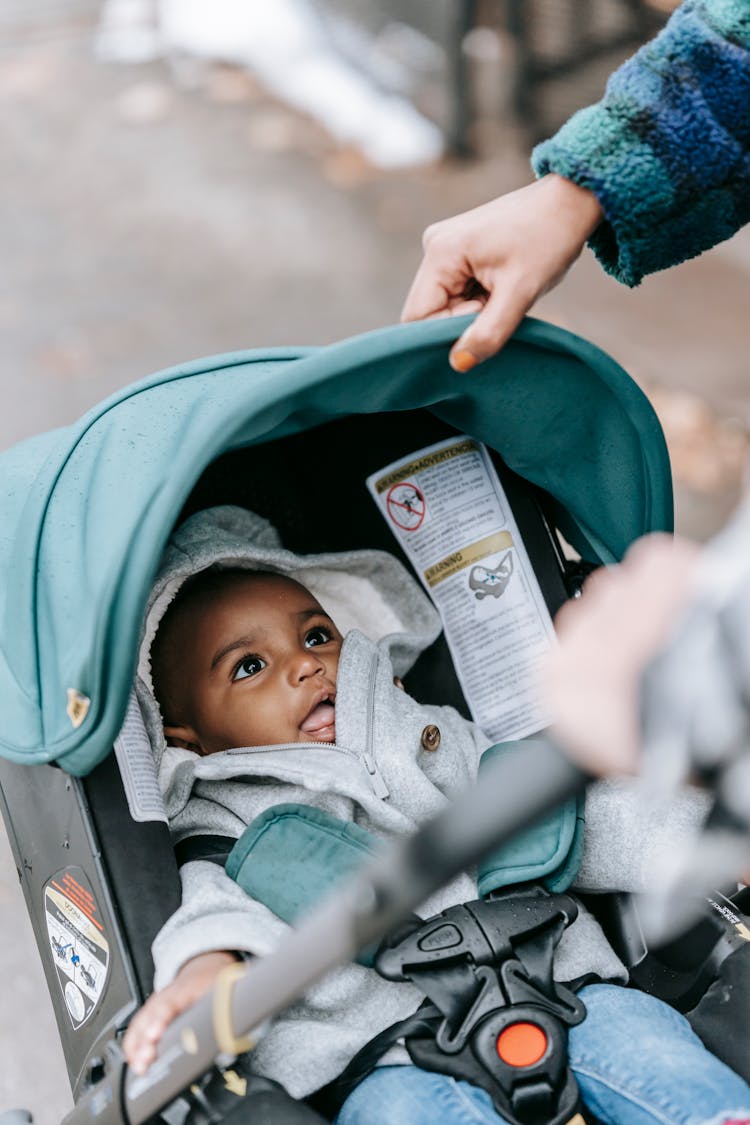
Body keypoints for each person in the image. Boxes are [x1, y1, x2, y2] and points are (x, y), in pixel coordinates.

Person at [122, 504, 750, 1125]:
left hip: (562, 988)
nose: (304, 663)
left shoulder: (429, 737)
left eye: (316, 635)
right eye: (249, 667)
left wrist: (703, 838)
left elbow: (566, 817)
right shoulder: (222, 827)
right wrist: (205, 972)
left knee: (655, 1053)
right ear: (187, 737)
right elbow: (215, 914)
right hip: (383, 1056)